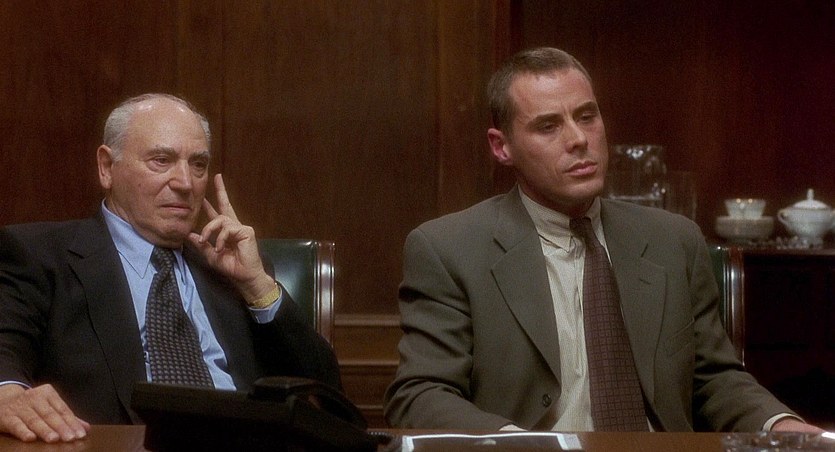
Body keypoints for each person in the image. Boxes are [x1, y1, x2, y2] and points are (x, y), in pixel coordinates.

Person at [384, 47, 822, 433]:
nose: (578, 140)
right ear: (502, 147)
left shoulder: (673, 240)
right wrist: (521, 445)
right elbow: (421, 395)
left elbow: (713, 379)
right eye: (548, 126)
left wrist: (782, 426)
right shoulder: (448, 249)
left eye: (587, 116)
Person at [0, 93, 341, 442]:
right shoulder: (39, 255)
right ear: (107, 167)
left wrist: (257, 286)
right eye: (161, 161)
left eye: (198, 165)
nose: (185, 183)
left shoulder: (235, 273)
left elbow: (329, 398)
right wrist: (7, 392)